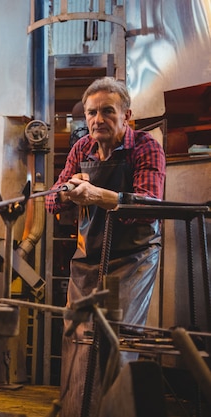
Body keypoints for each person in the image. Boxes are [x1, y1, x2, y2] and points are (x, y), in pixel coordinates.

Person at [45, 77, 166, 417]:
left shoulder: (145, 146)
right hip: (87, 259)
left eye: (107, 112)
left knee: (113, 338)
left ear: (127, 114)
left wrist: (98, 195)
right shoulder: (81, 149)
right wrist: (67, 190)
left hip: (131, 260)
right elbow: (51, 203)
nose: (98, 120)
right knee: (75, 336)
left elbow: (148, 206)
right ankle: (74, 412)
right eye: (92, 113)